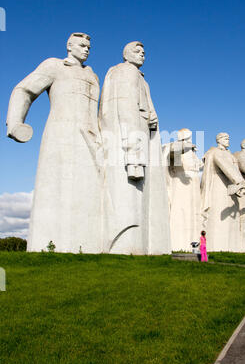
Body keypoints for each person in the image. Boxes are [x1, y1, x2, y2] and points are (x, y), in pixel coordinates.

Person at [6, 33, 102, 253]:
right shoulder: (55, 66)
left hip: (91, 139)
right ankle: (50, 245)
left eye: (89, 46)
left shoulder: (93, 76)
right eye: (82, 45)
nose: (87, 49)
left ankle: (87, 247)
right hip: (62, 135)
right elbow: (24, 90)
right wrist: (15, 122)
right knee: (58, 189)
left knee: (88, 194)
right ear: (69, 46)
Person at [98, 41, 171, 255]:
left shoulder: (136, 76)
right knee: (128, 195)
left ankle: (135, 244)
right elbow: (126, 108)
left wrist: (151, 116)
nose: (142, 55)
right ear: (126, 54)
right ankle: (126, 246)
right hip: (129, 138)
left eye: (144, 52)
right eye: (137, 51)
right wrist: (133, 152)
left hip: (134, 134)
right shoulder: (125, 72)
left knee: (136, 197)